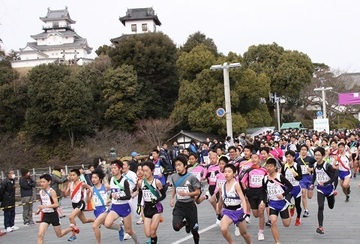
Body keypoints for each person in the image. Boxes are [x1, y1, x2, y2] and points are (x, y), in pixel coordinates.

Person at [36, 174, 79, 244]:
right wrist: (39, 210)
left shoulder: (52, 191)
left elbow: (56, 204)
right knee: (40, 235)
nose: (42, 184)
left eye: (44, 182)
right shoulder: (41, 192)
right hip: (45, 215)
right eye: (41, 182)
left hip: (53, 215)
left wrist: (44, 207)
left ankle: (72, 229)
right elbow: (43, 203)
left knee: (59, 235)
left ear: (49, 182)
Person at [104, 160, 139, 243]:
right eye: (111, 168)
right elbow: (113, 191)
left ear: (120, 169)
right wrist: (109, 198)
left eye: (115, 168)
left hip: (124, 206)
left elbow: (128, 196)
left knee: (129, 230)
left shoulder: (125, 181)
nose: (113, 170)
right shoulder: (112, 179)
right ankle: (119, 228)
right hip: (115, 207)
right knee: (107, 224)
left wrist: (118, 197)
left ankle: (137, 242)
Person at [170, 155, 201, 244]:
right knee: (176, 226)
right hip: (179, 205)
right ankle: (186, 223)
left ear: (185, 165)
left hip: (190, 205)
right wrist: (172, 198)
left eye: (179, 165)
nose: (177, 167)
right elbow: (174, 188)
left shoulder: (191, 177)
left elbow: (197, 192)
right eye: (176, 165)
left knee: (194, 230)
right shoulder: (173, 177)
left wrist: (187, 194)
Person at [262, 158, 293, 244]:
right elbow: (263, 192)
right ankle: (277, 242)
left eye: (271, 166)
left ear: (275, 167)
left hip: (282, 204)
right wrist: (263, 201)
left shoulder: (280, 176)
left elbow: (290, 187)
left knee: (286, 224)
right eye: (267, 166)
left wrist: (282, 195)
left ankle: (290, 209)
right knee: (273, 221)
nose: (268, 168)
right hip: (272, 203)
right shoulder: (265, 179)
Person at [218, 164, 252, 244]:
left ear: (234, 174)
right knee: (223, 229)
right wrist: (218, 212)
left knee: (244, 233)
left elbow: (243, 199)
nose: (226, 174)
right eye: (225, 172)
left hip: (238, 212)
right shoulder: (222, 186)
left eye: (229, 172)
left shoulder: (236, 185)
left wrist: (245, 213)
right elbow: (221, 200)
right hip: (227, 211)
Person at [137, 161, 166, 244]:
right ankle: (153, 239)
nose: (144, 173)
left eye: (147, 171)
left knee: (152, 230)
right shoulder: (140, 183)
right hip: (147, 208)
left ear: (152, 171)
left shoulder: (157, 182)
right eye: (143, 171)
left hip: (156, 207)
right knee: (148, 233)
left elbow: (163, 195)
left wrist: (157, 200)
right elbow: (140, 194)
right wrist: (139, 206)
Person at [241, 153, 267, 241]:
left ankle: (261, 232)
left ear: (259, 160)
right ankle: (252, 215)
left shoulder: (264, 170)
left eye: (255, 158)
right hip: (252, 193)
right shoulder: (248, 170)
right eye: (252, 158)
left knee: (261, 211)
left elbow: (268, 180)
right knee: (256, 214)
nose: (254, 159)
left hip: (261, 192)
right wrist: (246, 191)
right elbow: (242, 181)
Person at [63, 169, 95, 241]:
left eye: (74, 175)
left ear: (78, 176)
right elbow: (66, 195)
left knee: (71, 217)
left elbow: (90, 188)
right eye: (71, 175)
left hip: (80, 203)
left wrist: (89, 195)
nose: (72, 177)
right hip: (74, 204)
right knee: (84, 221)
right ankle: (96, 221)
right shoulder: (70, 184)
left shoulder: (82, 184)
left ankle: (73, 235)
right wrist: (64, 191)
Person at [311, 147, 336, 234]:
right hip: (320, 189)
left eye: (319, 155)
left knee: (331, 206)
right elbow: (314, 175)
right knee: (320, 206)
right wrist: (312, 183)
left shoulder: (327, 166)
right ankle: (320, 226)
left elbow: (334, 178)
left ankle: (332, 197)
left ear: (323, 156)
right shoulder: (314, 165)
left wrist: (325, 183)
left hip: (329, 188)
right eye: (316, 155)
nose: (317, 157)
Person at [90, 169, 118, 244]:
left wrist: (111, 199)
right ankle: (119, 228)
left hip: (105, 209)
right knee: (107, 225)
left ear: (100, 178)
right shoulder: (91, 189)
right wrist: (87, 194)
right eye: (92, 178)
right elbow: (87, 200)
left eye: (95, 178)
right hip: (96, 210)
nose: (93, 179)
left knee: (94, 226)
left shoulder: (105, 186)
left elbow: (115, 191)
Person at [281, 150, 302, 226]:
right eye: (287, 157)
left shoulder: (297, 166)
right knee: (287, 201)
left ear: (293, 157)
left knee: (298, 205)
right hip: (288, 188)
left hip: (296, 187)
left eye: (290, 156)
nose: (288, 158)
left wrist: (296, 176)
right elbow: (282, 177)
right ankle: (291, 207)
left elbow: (300, 178)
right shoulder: (284, 166)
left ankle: (298, 218)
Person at [296, 144, 315, 218]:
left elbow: (316, 166)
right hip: (301, 178)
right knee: (303, 193)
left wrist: (312, 169)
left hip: (309, 178)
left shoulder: (311, 159)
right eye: (302, 150)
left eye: (305, 150)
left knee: (309, 196)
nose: (303, 151)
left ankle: (306, 209)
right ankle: (306, 210)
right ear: (300, 151)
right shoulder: (297, 160)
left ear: (307, 151)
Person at [122, 160, 139, 240]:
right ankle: (127, 232)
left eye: (124, 165)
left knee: (137, 214)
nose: (123, 166)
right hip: (125, 198)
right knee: (125, 215)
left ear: (128, 166)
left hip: (133, 196)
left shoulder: (132, 174)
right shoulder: (121, 175)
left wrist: (134, 191)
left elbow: (137, 183)